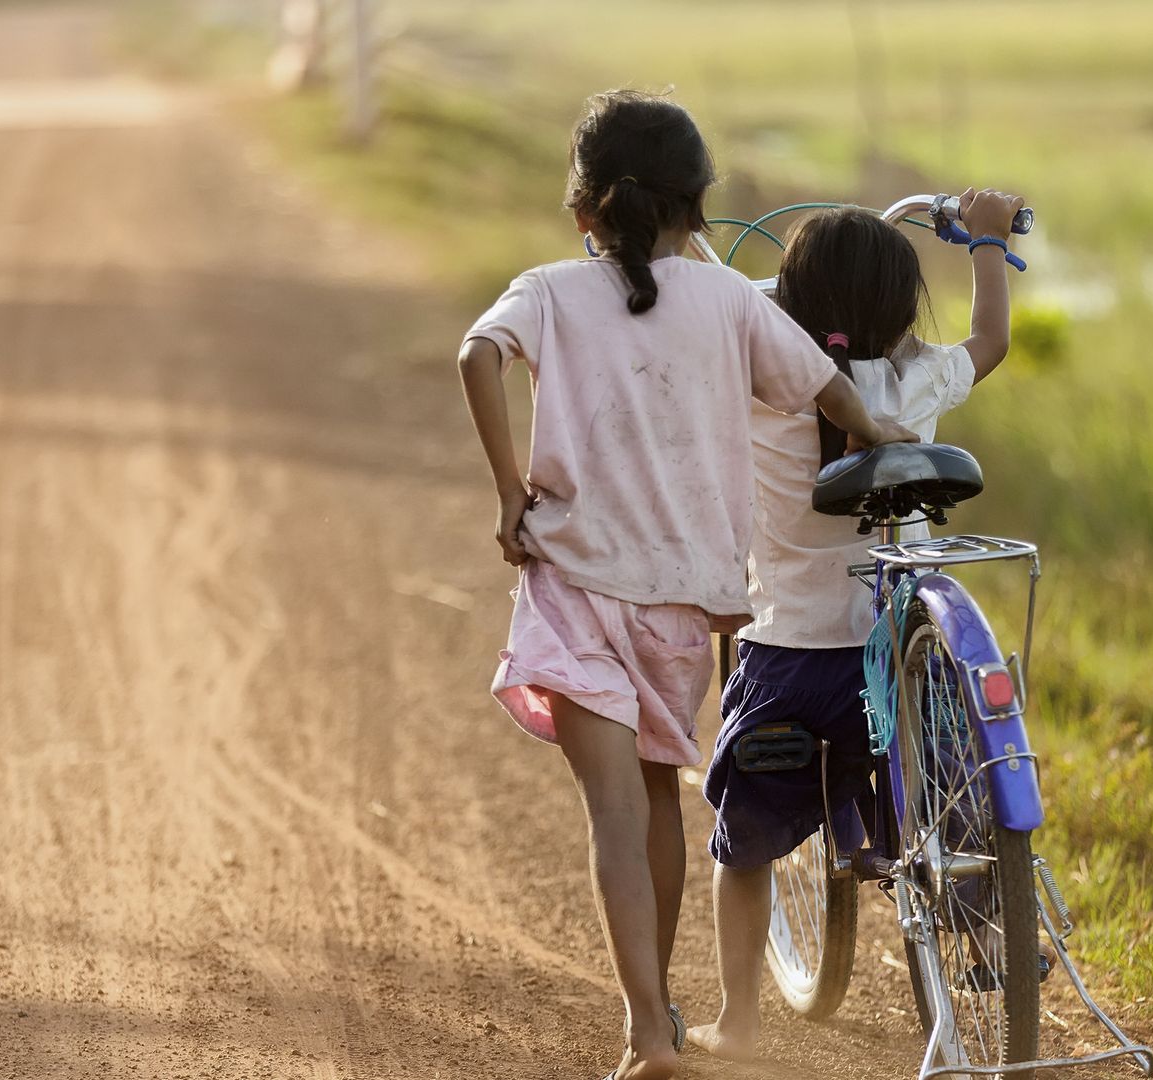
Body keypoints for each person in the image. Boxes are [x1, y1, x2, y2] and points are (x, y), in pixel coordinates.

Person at [455, 90, 919, 1080]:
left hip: (574, 585)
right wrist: (883, 441)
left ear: (583, 212)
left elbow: (476, 356)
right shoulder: (732, 303)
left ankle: (647, 1025)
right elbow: (827, 388)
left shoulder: (543, 290)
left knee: (613, 817)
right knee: (660, 800)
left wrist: (508, 493)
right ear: (699, 211)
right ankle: (655, 1018)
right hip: (681, 604)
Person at [686, 191, 1025, 1062]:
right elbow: (992, 339)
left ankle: (740, 1018)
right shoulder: (921, 377)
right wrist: (985, 240)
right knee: (958, 792)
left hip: (792, 653)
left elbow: (722, 310)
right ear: (904, 307)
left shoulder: (766, 375)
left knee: (746, 837)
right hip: (902, 659)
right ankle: (991, 939)